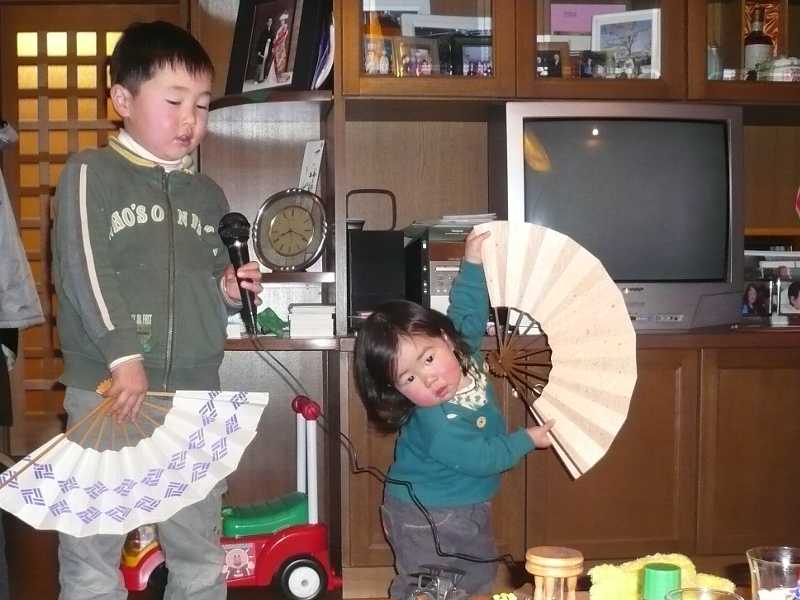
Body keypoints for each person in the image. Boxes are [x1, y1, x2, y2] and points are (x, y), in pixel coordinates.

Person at [51, 20, 262, 600]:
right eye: (173, 102)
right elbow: (84, 269)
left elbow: (205, 283)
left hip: (193, 395)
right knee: (92, 552)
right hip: (108, 389)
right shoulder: (91, 173)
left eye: (202, 104)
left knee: (199, 554)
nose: (190, 119)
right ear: (122, 100)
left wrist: (226, 289)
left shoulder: (208, 195)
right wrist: (123, 357)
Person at [354, 229, 555, 600]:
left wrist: (473, 262)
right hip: (423, 514)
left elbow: (467, 312)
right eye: (409, 378)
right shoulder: (436, 422)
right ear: (397, 389)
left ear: (446, 340)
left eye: (428, 358)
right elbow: (482, 458)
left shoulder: (466, 353)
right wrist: (527, 439)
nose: (428, 378)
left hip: (463, 502)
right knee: (432, 585)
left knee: (477, 574)